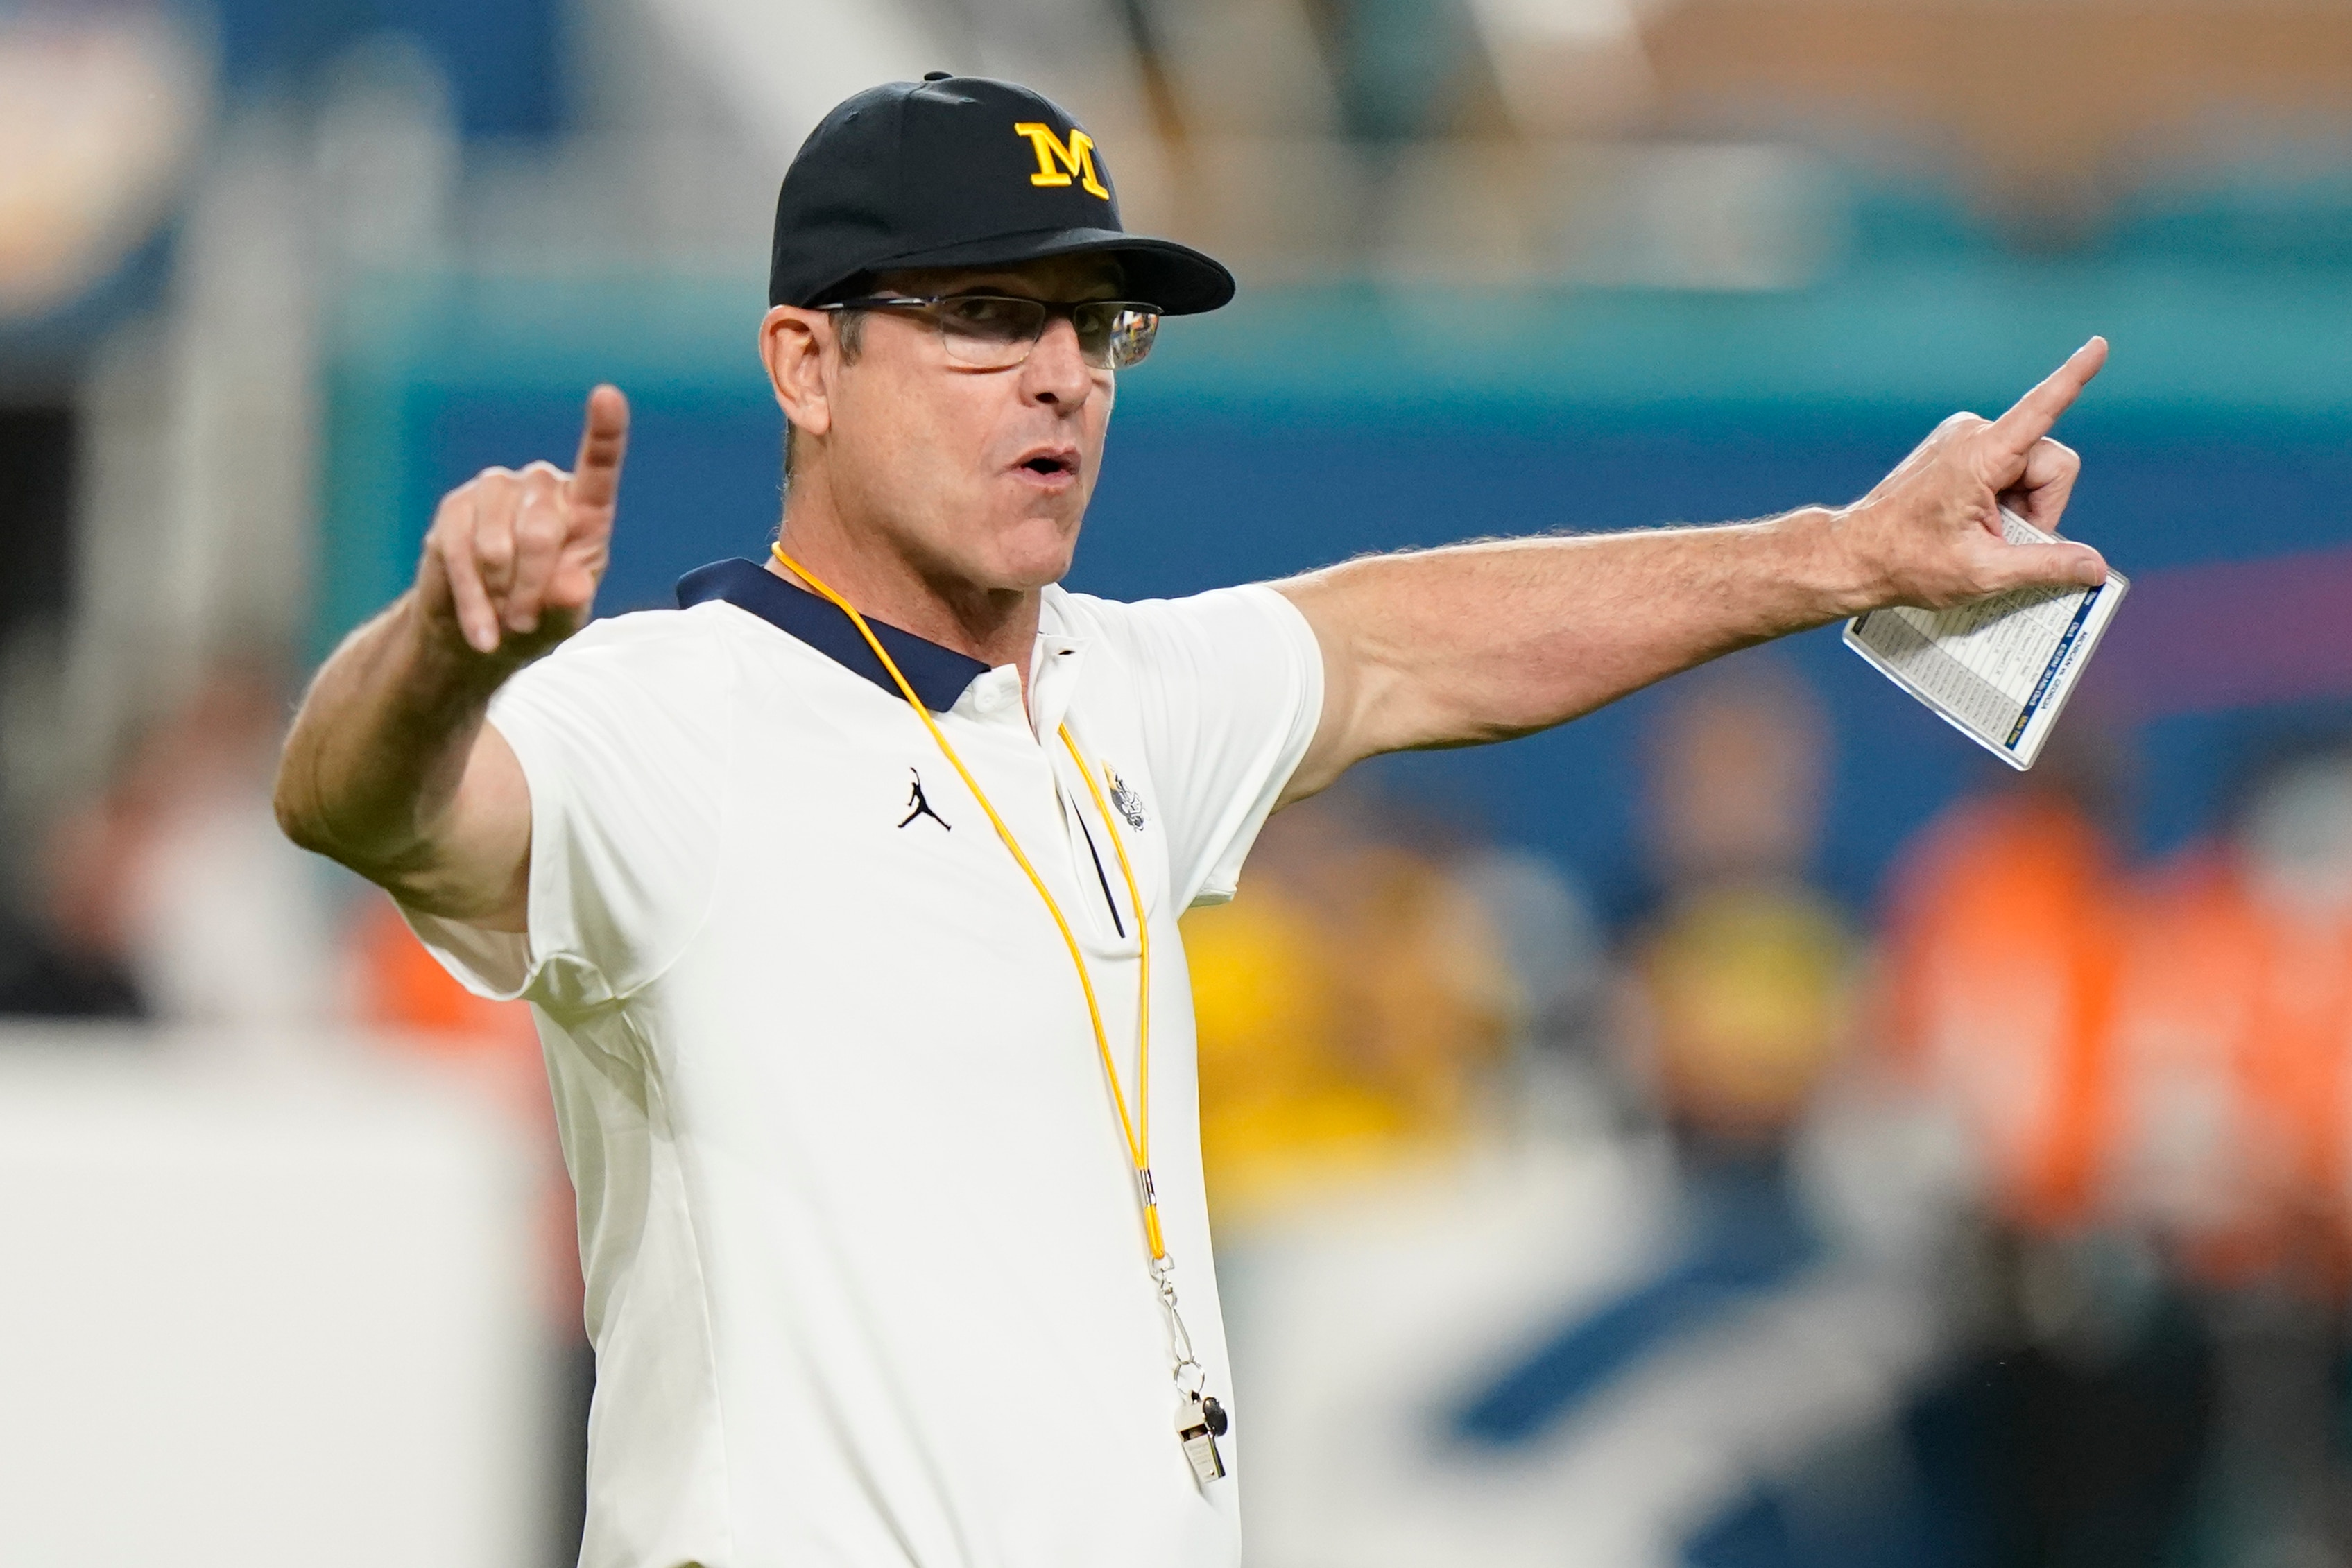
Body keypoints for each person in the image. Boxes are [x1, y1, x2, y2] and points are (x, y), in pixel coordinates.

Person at [273, 72, 2112, 1568]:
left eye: (1092, 324)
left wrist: (1842, 555)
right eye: (987, 318)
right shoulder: (672, 711)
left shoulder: (1122, 696)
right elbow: (364, 805)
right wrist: (440, 652)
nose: (1064, 372)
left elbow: (1412, 642)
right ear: (806, 367)